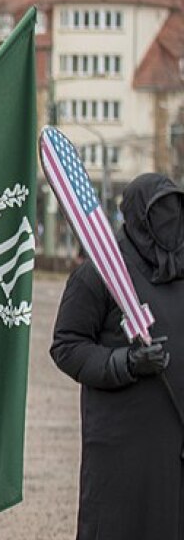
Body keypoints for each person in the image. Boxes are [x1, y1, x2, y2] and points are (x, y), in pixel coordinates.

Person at [51, 172, 184, 539]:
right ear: (139, 218)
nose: (171, 223)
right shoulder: (99, 274)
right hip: (122, 446)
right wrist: (125, 363)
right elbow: (66, 345)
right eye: (160, 214)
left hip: (177, 442)